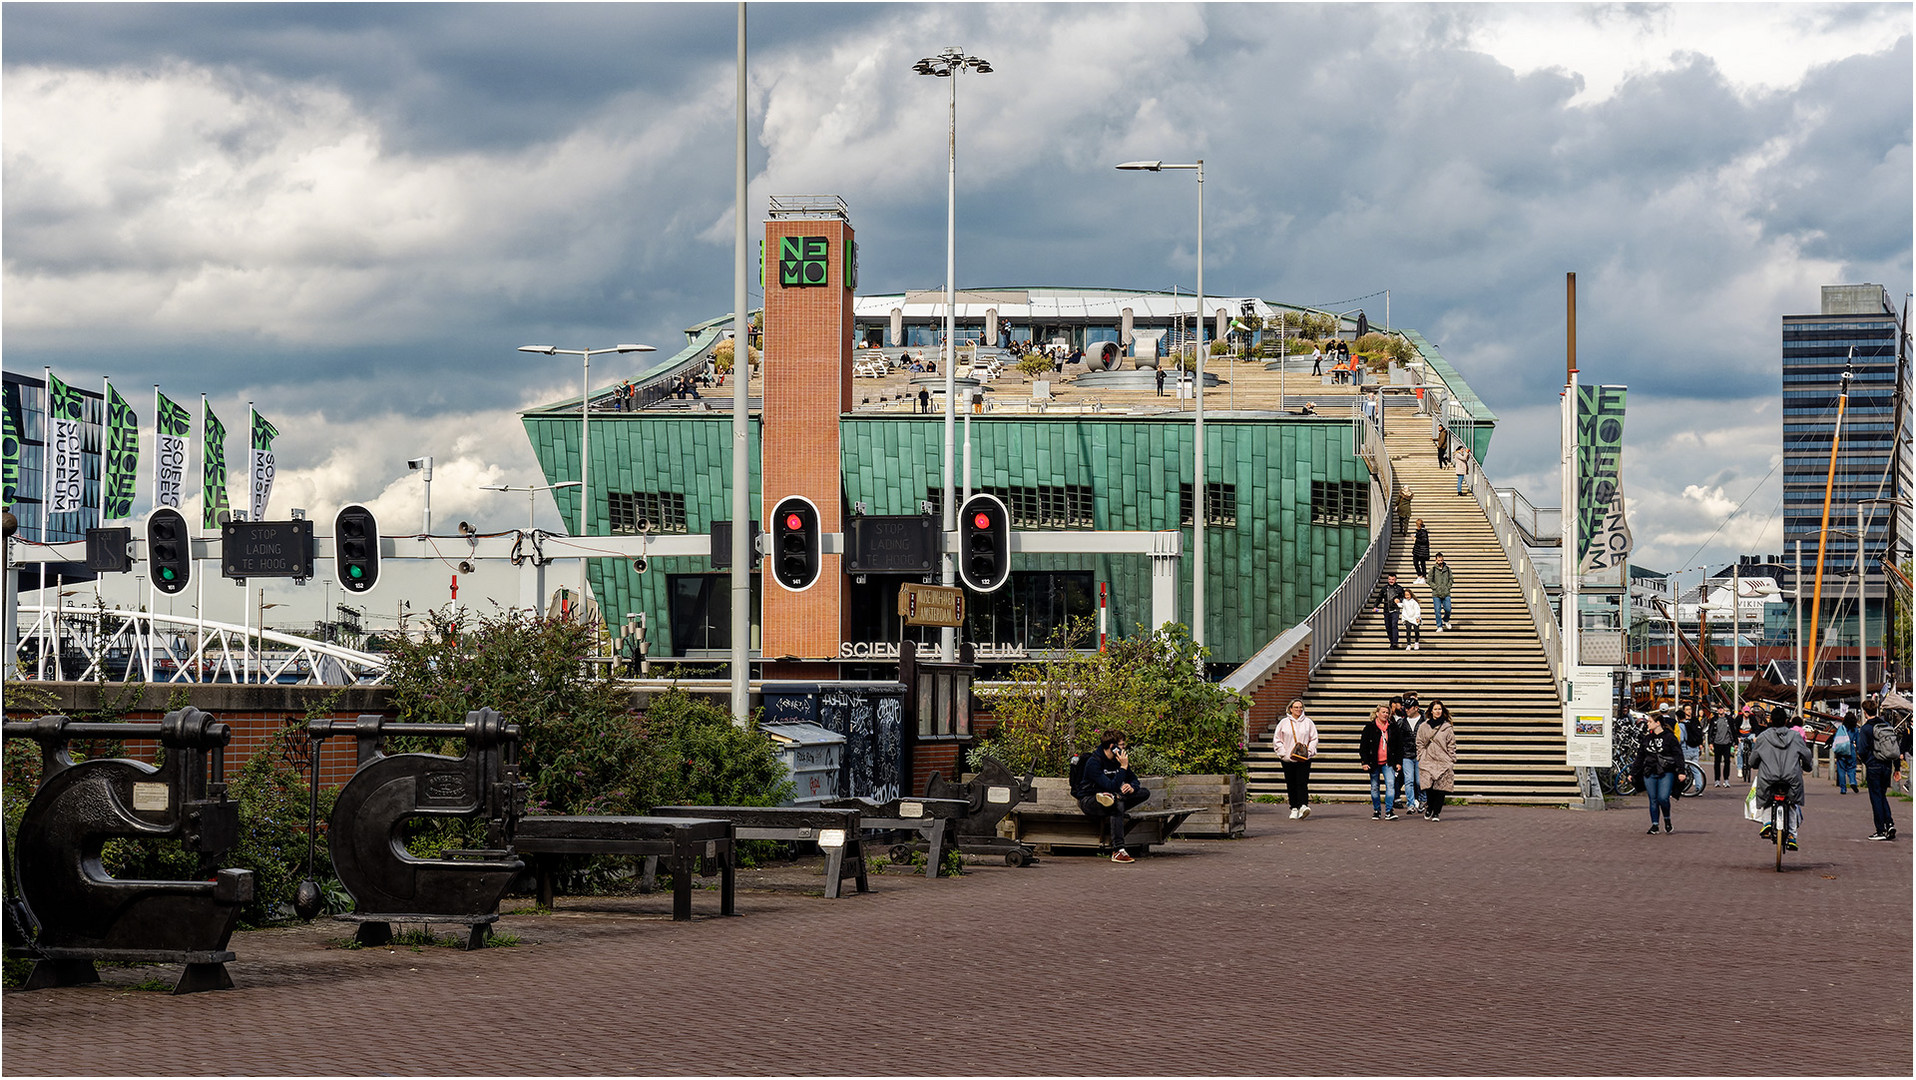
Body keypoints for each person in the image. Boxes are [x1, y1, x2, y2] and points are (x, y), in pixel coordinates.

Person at [1074, 732, 1151, 862]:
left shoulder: (1117, 759)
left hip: (1112, 796)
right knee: (1116, 805)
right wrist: (1123, 767)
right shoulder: (1094, 763)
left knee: (1144, 792)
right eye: (1122, 745)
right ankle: (1118, 850)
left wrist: (1131, 787)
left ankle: (1117, 798)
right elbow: (1111, 786)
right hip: (1090, 800)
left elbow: (1134, 780)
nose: (1124, 748)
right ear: (1112, 746)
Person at [1748, 705, 1812, 849]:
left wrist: (1755, 764)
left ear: (1770, 720)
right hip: (1791, 777)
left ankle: (1767, 823)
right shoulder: (1795, 736)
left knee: (1765, 798)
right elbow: (1806, 755)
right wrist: (1807, 767)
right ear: (1786, 721)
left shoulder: (1763, 737)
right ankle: (1792, 835)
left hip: (1768, 777)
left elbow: (1753, 760)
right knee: (1792, 802)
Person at [1631, 710, 1684, 834]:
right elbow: (1640, 757)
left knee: (1663, 798)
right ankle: (1654, 825)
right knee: (1653, 799)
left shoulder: (1670, 737)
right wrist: (1632, 773)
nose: (1647, 724)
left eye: (1650, 722)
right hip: (1649, 772)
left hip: (1666, 772)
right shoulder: (1647, 738)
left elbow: (1678, 754)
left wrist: (1681, 771)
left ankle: (1667, 819)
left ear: (1658, 723)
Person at [1861, 699, 1906, 841]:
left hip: (1874, 765)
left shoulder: (1866, 728)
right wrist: (1897, 768)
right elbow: (1895, 747)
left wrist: (1867, 761)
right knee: (1882, 795)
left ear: (1865, 712)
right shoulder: (1886, 725)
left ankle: (1880, 830)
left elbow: (1862, 749)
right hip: (1887, 765)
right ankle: (1890, 823)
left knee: (1875, 797)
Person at [1272, 699, 1319, 820]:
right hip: (1288, 759)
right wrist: (1283, 753)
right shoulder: (1284, 722)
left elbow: (1314, 738)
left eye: (1300, 707)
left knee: (1302, 782)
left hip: (1304, 758)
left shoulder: (1308, 723)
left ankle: (1303, 805)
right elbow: (1277, 739)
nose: (1299, 710)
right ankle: (1294, 807)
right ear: (1290, 709)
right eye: (1296, 707)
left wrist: (1309, 752)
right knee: (1291, 783)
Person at [1358, 703, 1406, 820]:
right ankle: (1377, 810)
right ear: (1377, 713)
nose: (1385, 715)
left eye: (1387, 713)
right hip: (1373, 762)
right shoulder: (1369, 727)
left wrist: (1398, 762)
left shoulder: (1393, 728)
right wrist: (1364, 762)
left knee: (1390, 784)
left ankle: (1389, 810)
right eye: (1383, 712)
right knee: (1375, 786)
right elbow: (1363, 746)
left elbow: (1399, 746)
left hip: (1388, 762)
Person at [1417, 700, 1457, 821]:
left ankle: (1436, 812)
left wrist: (1451, 758)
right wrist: (1421, 755)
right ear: (1431, 711)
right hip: (1428, 759)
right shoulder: (1424, 726)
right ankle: (1429, 806)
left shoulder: (1447, 727)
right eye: (1435, 709)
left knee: (1441, 788)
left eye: (1439, 709)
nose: (1437, 711)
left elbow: (1451, 744)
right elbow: (1419, 742)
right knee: (1428, 787)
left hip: (1443, 760)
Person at [1397, 693, 1425, 813]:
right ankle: (1411, 803)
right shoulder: (1402, 722)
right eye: (1405, 708)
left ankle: (1423, 800)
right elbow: (1398, 740)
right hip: (1406, 755)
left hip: (1420, 755)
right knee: (1409, 780)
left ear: (1416, 708)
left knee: (1419, 781)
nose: (1406, 710)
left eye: (1409, 708)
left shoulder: (1424, 721)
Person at [1832, 709, 1863, 794]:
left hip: (1841, 750)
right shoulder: (1855, 730)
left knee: (1841, 769)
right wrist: (1859, 752)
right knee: (1852, 767)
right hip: (1850, 749)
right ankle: (1853, 781)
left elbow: (1836, 739)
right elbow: (1858, 742)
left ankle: (1843, 789)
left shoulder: (1841, 728)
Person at [1710, 703, 1739, 787]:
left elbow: (1733, 730)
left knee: (1727, 761)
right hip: (1717, 743)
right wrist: (1710, 743)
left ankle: (1726, 780)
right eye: (1718, 708)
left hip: (1727, 743)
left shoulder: (1729, 719)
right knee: (1717, 762)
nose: (1720, 710)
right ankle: (1717, 780)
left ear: (1724, 710)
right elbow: (1711, 731)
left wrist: (1735, 743)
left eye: (1721, 708)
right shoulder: (1714, 719)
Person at [1374, 571, 1405, 650]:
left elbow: (1404, 597)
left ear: (1396, 580)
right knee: (1388, 627)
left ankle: (1395, 642)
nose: (1391, 581)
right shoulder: (1384, 588)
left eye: (1393, 579)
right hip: (1386, 609)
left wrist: (1399, 600)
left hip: (1395, 609)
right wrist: (1375, 606)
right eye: (1390, 579)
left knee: (1394, 624)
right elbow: (1379, 598)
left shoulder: (1399, 588)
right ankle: (1391, 642)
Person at [1429, 554, 1453, 632]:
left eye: (1441, 560)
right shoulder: (1433, 569)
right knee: (1437, 610)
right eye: (1438, 560)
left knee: (1448, 609)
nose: (1440, 562)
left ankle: (1446, 619)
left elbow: (1451, 579)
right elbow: (1429, 580)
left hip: (1446, 592)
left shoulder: (1447, 569)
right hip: (1436, 593)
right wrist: (1435, 587)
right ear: (1436, 560)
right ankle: (1439, 626)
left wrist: (1448, 587)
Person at [1677, 702, 1704, 769]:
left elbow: (1699, 732)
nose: (1689, 711)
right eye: (1687, 709)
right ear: (1684, 711)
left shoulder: (1695, 720)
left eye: (1690, 709)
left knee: (1693, 767)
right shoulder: (1681, 722)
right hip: (1686, 746)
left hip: (1693, 746)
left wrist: (1700, 743)